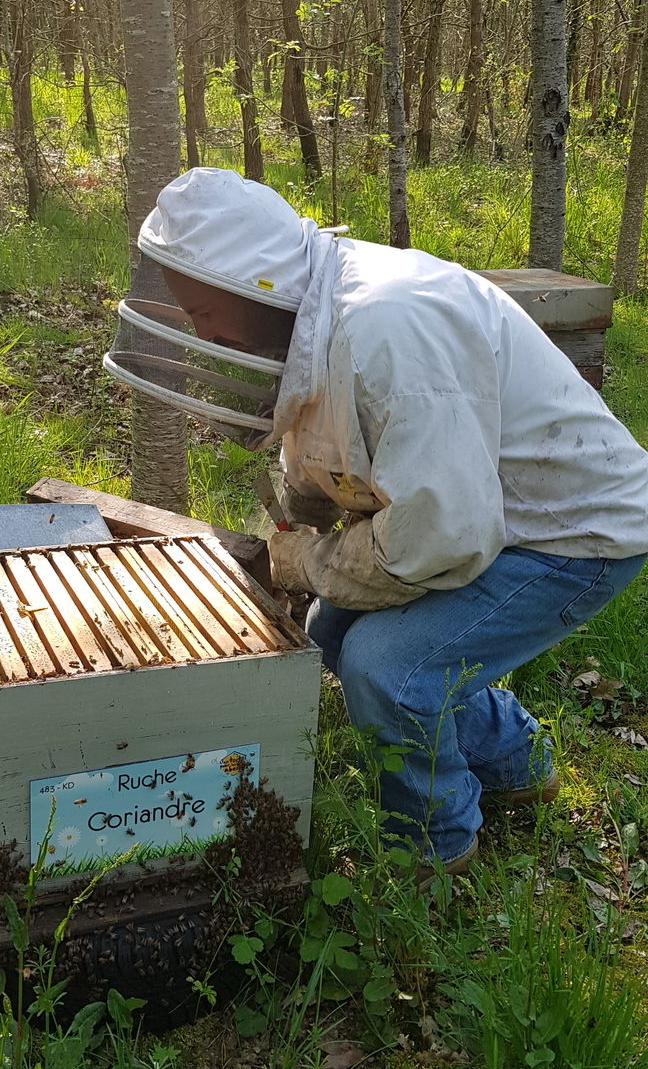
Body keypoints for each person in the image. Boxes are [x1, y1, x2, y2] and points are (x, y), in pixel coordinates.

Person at [121, 166, 648, 882]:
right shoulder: (315, 316)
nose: (202, 332)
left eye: (206, 312)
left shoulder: (387, 331)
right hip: (486, 514)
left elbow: (439, 539)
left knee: (387, 668)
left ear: (256, 285)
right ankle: (516, 765)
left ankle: (435, 846)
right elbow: (324, 440)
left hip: (569, 533)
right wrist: (298, 524)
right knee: (331, 631)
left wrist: (303, 564)